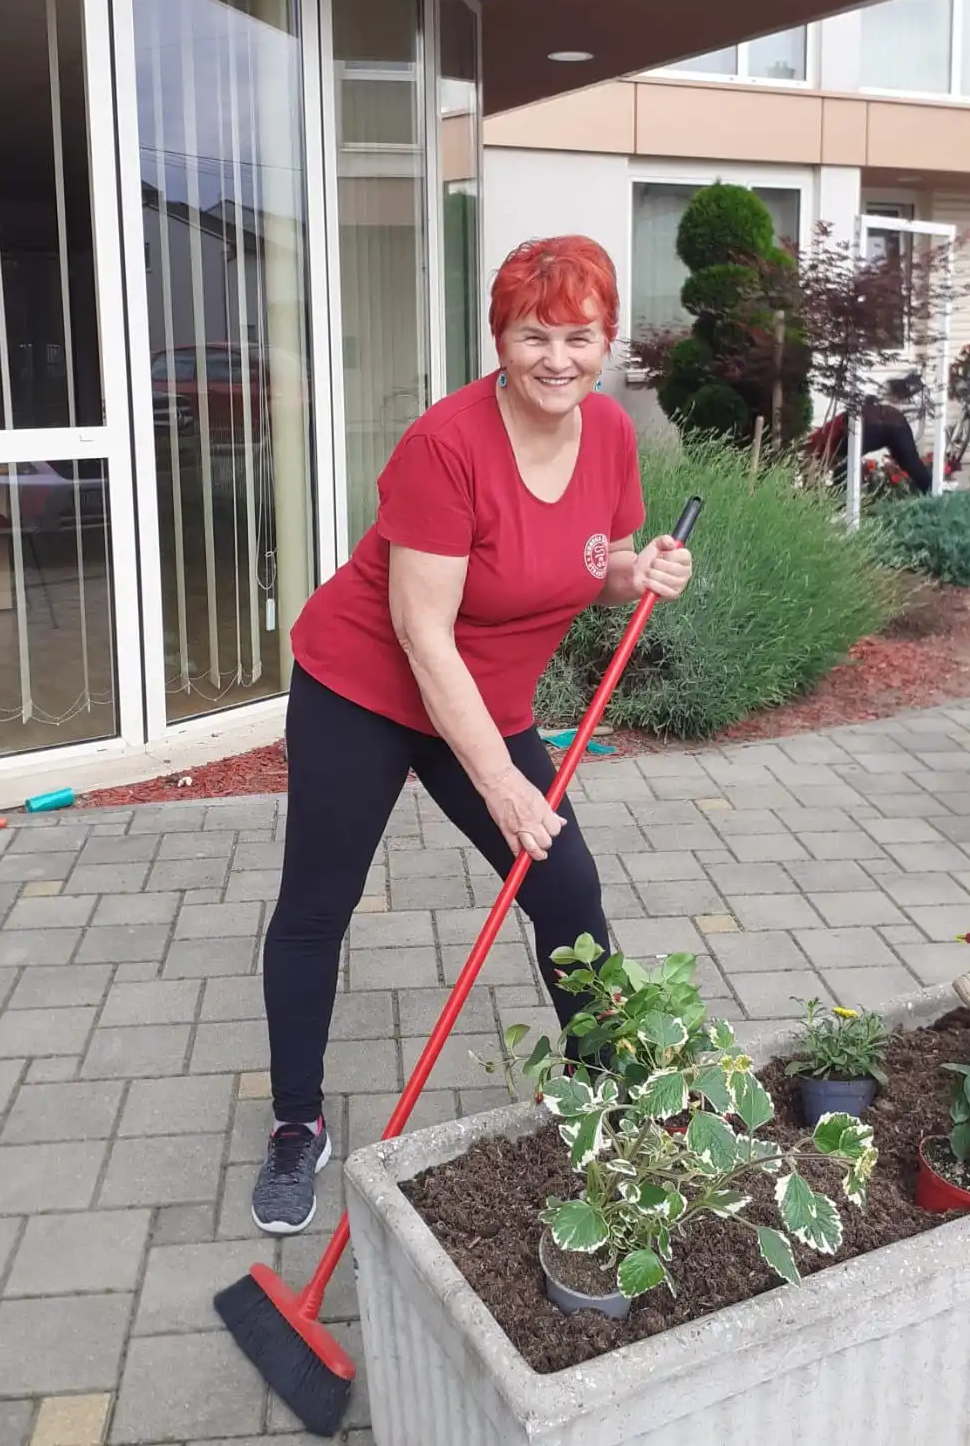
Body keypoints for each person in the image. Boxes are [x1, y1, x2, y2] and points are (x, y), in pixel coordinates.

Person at [251, 235, 694, 1233]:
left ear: (604, 341)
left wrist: (644, 571)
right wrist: (498, 782)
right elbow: (419, 629)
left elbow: (604, 559)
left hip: (483, 701)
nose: (558, 357)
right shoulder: (445, 445)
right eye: (535, 334)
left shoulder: (611, 437)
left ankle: (598, 1095)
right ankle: (294, 1126)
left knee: (567, 887)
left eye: (580, 336)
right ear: (500, 337)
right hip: (364, 687)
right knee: (319, 906)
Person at [807, 398, 932, 496]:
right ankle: (931, 491)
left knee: (844, 466)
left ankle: (843, 501)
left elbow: (828, 458)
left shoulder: (821, 444)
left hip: (872, 425)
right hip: (889, 421)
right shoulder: (823, 439)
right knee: (910, 463)